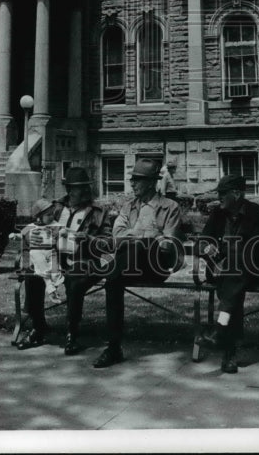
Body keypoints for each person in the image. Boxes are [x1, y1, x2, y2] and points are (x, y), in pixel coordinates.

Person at [93, 158, 183, 369]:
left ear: (152, 182)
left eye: (138, 180)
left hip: (156, 266)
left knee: (130, 253)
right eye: (133, 180)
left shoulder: (170, 207)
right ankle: (113, 347)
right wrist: (147, 236)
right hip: (128, 267)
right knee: (114, 281)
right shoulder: (128, 206)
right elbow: (116, 235)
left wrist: (136, 238)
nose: (133, 184)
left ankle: (108, 269)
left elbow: (166, 245)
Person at [16, 167, 112, 356]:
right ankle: (38, 328)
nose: (85, 190)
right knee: (33, 274)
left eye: (86, 186)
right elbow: (34, 227)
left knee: (74, 278)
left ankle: (72, 334)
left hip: (86, 260)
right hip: (55, 258)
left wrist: (89, 239)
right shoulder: (55, 208)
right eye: (79, 187)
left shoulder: (98, 212)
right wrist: (34, 238)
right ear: (69, 189)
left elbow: (108, 242)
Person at [197, 174, 259, 373]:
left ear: (236, 194)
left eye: (223, 193)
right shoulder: (218, 214)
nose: (219, 197)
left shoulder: (255, 213)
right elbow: (202, 241)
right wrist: (208, 250)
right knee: (233, 291)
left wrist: (229, 261)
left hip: (250, 269)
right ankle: (224, 340)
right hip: (223, 272)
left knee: (234, 275)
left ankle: (224, 339)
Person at [19, 198, 65, 301]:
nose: (52, 217)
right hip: (37, 253)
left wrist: (62, 233)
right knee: (41, 266)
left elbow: (63, 230)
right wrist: (15, 235)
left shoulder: (55, 225)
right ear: (39, 217)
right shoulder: (31, 226)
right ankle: (50, 288)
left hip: (51, 252)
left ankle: (53, 287)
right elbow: (22, 233)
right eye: (48, 215)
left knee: (55, 269)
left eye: (52, 214)